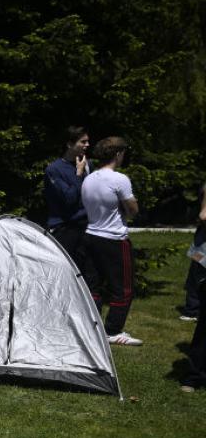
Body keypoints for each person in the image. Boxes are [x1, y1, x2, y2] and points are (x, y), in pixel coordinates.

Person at [81, 136, 142, 346]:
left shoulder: (89, 178)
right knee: (123, 288)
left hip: (91, 235)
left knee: (93, 286)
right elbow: (133, 210)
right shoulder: (119, 179)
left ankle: (92, 327)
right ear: (117, 154)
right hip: (114, 238)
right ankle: (113, 330)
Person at [43, 126, 91, 262]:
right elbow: (69, 199)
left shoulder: (87, 165)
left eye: (87, 141)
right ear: (69, 144)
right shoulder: (54, 169)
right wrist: (78, 175)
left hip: (86, 226)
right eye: (83, 142)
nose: (87, 145)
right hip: (65, 228)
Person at [178, 181, 206, 321]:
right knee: (197, 271)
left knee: (196, 272)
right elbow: (203, 216)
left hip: (202, 238)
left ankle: (192, 309)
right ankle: (192, 309)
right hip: (202, 239)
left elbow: (203, 215)